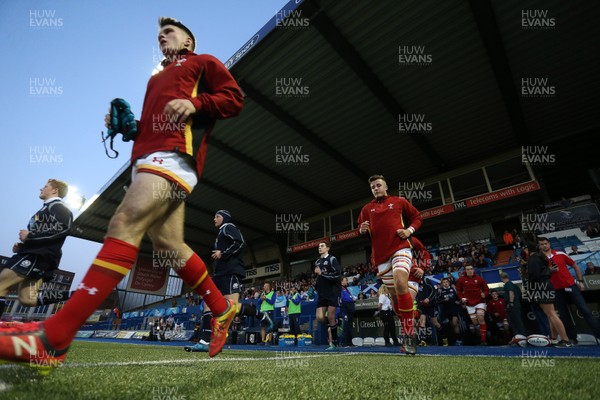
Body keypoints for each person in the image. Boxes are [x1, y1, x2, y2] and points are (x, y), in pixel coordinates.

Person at [0, 17, 244, 369]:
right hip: (149, 156)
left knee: (125, 221)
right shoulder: (156, 77)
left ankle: (54, 338)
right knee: (170, 247)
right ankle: (222, 310)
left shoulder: (201, 61)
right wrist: (132, 129)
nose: (162, 38)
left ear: (188, 41)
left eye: (169, 33)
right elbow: (152, 125)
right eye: (158, 35)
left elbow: (234, 99)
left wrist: (197, 104)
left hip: (174, 154)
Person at [185, 210, 273, 352]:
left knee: (233, 306)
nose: (214, 219)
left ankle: (262, 315)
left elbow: (241, 243)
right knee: (208, 302)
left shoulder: (228, 227)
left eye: (217, 216)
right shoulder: (220, 232)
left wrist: (223, 253)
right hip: (219, 274)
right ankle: (204, 341)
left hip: (231, 272)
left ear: (224, 218)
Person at [358, 174, 422, 355]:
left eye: (378, 185)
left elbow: (417, 217)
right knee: (395, 300)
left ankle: (409, 336)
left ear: (386, 186)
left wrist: (409, 230)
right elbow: (361, 228)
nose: (376, 188)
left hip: (400, 248)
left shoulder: (399, 201)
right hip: (380, 258)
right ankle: (407, 327)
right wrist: (361, 230)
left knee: (401, 283)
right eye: (373, 187)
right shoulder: (366, 208)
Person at [0, 179, 73, 319]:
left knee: (1, 285)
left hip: (36, 256)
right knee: (28, 299)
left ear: (54, 191)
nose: (41, 188)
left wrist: (30, 236)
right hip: (35, 254)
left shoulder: (58, 206)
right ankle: (75, 294)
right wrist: (24, 244)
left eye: (45, 186)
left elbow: (64, 229)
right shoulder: (45, 208)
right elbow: (46, 235)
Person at [538, 237, 600, 344]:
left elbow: (575, 265)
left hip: (571, 286)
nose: (544, 246)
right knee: (564, 315)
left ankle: (598, 335)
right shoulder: (539, 259)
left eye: (546, 243)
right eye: (542, 244)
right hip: (556, 290)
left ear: (549, 244)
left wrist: (580, 281)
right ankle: (572, 338)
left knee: (585, 310)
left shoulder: (561, 254)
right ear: (539, 246)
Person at [526, 242, 571, 347]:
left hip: (541, 287)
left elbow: (535, 275)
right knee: (550, 314)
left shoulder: (533, 259)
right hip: (547, 285)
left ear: (527, 250)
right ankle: (554, 339)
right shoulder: (541, 257)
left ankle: (565, 339)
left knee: (551, 314)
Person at [314, 241, 341, 350]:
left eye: (322, 246)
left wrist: (322, 274)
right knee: (320, 318)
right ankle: (334, 324)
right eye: (319, 246)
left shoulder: (332, 259)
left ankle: (334, 343)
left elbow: (337, 275)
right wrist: (314, 286)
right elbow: (318, 277)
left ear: (327, 248)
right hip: (322, 293)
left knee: (330, 316)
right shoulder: (317, 261)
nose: (320, 248)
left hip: (333, 291)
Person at [455, 265, 489, 345]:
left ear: (473, 270)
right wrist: (462, 298)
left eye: (471, 269)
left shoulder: (479, 279)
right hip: (469, 304)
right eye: (468, 269)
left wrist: (485, 294)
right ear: (465, 271)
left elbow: (486, 288)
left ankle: (484, 340)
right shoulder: (461, 280)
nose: (470, 271)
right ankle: (479, 337)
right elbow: (458, 290)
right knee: (475, 323)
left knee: (480, 316)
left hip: (480, 301)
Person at [500, 272, 527, 338]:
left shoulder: (508, 284)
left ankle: (520, 336)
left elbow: (511, 292)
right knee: (517, 321)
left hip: (512, 305)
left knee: (515, 321)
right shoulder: (513, 285)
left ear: (501, 278)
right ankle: (520, 336)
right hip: (516, 305)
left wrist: (511, 302)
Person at [436, 277, 462, 345]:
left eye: (446, 282)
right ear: (442, 284)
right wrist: (444, 300)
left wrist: (459, 302)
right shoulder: (440, 291)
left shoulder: (453, 289)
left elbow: (459, 297)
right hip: (445, 311)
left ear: (449, 283)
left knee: (454, 323)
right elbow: (437, 301)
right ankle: (452, 340)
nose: (445, 283)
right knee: (449, 326)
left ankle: (459, 340)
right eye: (444, 282)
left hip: (454, 309)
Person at [339, 276, 357, 347]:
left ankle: (349, 342)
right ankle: (344, 342)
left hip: (349, 310)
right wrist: (352, 299)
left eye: (346, 280)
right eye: (345, 280)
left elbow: (349, 297)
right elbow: (344, 298)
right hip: (345, 310)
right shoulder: (341, 289)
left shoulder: (346, 290)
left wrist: (351, 299)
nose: (347, 281)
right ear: (341, 282)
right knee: (346, 326)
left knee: (349, 327)